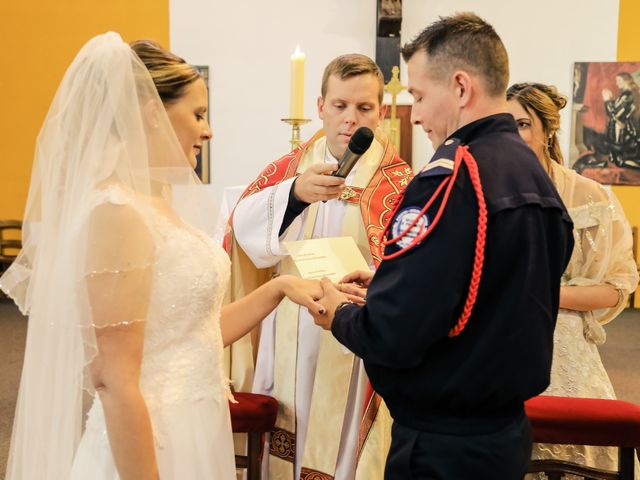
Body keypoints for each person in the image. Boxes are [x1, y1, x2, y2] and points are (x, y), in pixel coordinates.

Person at [0, 32, 325, 480]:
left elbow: (193, 335)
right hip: (149, 445)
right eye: (198, 114)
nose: (208, 131)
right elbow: (113, 380)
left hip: (192, 428)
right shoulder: (116, 213)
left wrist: (280, 287)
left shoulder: (152, 202)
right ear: (153, 114)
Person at [311, 13, 575, 479]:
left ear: (459, 87)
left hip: (443, 444)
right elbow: (500, 286)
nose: (413, 114)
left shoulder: (450, 177)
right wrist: (398, 280)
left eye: (417, 95)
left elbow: (393, 334)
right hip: (504, 431)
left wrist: (340, 313)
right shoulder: (532, 172)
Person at [226, 54, 412, 479]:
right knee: (284, 435)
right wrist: (294, 195)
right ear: (320, 107)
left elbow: (412, 266)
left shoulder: (400, 183)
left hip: (353, 332)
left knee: (341, 443)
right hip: (289, 323)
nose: (350, 119)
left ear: (381, 112)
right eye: (340, 105)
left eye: (364, 108)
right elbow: (242, 231)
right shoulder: (289, 170)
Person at [507, 81, 639, 475]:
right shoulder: (488, 192)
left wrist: (545, 295)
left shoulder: (592, 198)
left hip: (566, 340)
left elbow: (616, 287)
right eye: (505, 126)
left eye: (523, 125)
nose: (514, 137)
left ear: (548, 130)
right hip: (502, 340)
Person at [602, 72, 640, 167]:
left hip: (625, 131)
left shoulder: (627, 95)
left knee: (620, 161)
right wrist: (612, 100)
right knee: (618, 158)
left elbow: (615, 113)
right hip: (627, 129)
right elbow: (620, 109)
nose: (616, 83)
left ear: (626, 81)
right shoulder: (629, 93)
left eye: (619, 80)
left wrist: (607, 100)